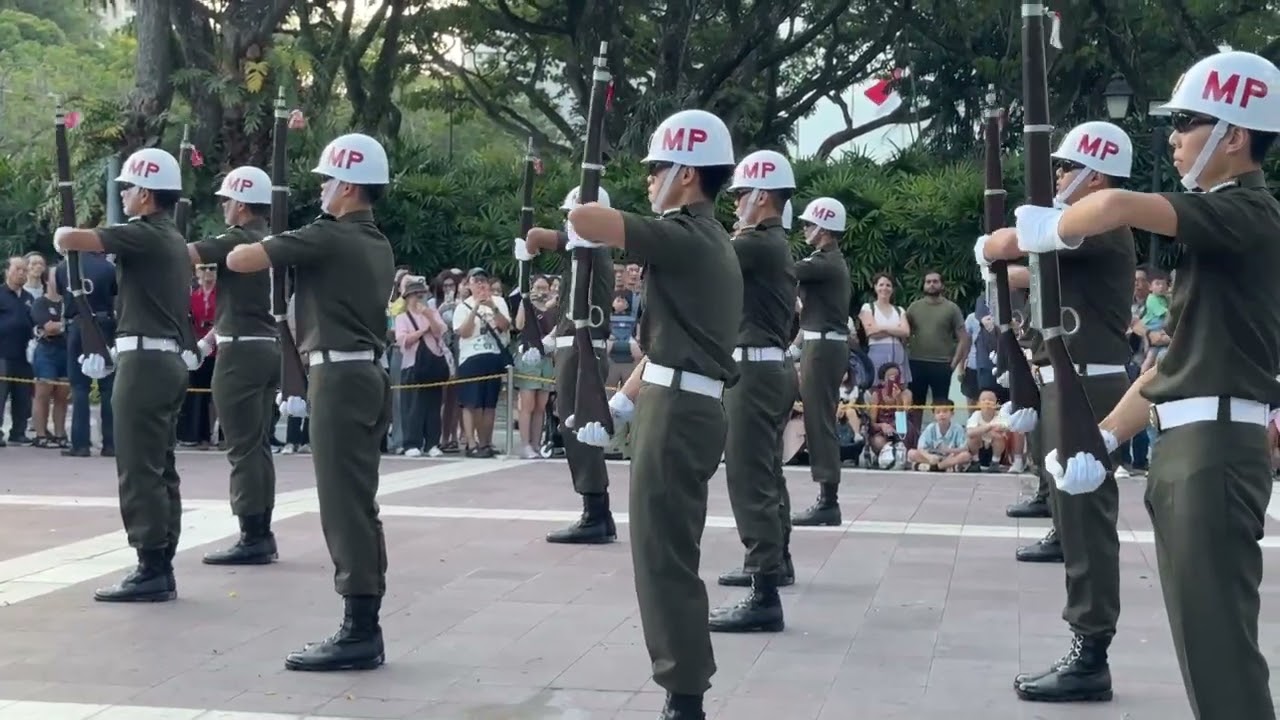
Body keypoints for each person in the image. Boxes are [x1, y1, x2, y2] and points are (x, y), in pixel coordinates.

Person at [1022, 50, 1280, 720]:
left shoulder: (1249, 212)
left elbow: (1112, 203)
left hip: (1215, 450)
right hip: (1189, 445)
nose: (1173, 137)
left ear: (1234, 135)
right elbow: (1170, 368)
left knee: (1220, 654)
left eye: (1187, 122)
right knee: (1203, 646)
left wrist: (1052, 226)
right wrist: (1103, 439)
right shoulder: (1219, 234)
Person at [563, 108, 741, 720]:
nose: (648, 178)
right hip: (676, 400)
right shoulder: (701, 239)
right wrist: (621, 402)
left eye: (658, 166)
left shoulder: (688, 235)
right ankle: (682, 690)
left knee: (663, 558)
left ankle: (684, 698)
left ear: (687, 174)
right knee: (664, 551)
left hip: (680, 412)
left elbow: (588, 218)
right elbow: (669, 348)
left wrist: (579, 212)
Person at [226, 132, 395, 672]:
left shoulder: (329, 235)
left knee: (344, 504)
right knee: (357, 501)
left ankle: (359, 630)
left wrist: (278, 240)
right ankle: (363, 620)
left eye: (327, 180)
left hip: (339, 378)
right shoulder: (375, 241)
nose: (321, 189)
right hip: (364, 374)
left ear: (347, 186)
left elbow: (242, 258)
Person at [980, 119, 1136, 702]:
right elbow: (1029, 266)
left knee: (1088, 521)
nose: (1060, 176)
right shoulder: (1086, 233)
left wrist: (993, 249)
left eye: (1068, 167)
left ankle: (1091, 651)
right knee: (1074, 516)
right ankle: (1086, 641)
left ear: (1096, 176)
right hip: (1069, 382)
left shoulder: (1102, 223)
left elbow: (1013, 245)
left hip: (1088, 385)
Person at [53, 147, 198, 603]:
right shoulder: (170, 237)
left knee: (139, 467)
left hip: (146, 364)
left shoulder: (146, 233)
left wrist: (62, 234)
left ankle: (150, 566)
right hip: (163, 360)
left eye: (129, 188)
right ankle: (160, 560)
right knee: (160, 466)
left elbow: (75, 239)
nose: (124, 195)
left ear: (147, 194)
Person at [707, 149, 798, 634]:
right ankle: (774, 562)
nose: (735, 202)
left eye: (741, 193)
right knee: (765, 471)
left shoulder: (758, 243)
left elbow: (703, 254)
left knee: (749, 477)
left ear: (762, 196)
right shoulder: (770, 242)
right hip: (768, 369)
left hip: (755, 372)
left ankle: (764, 589)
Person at [190, 165, 283, 566]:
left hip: (241, 354)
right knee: (257, 445)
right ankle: (261, 530)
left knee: (243, 447)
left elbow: (187, 254)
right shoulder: (272, 239)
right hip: (267, 347)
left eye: (227, 200)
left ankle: (253, 535)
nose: (224, 207)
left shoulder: (238, 239)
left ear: (241, 205)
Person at [516, 185, 616, 543]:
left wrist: (530, 243)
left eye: (572, 216)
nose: (568, 222)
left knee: (580, 429)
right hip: (574, 347)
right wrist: (550, 338)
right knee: (575, 428)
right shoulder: (583, 256)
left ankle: (595, 514)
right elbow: (573, 308)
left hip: (583, 351)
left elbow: (540, 236)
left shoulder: (591, 248)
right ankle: (597, 512)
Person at [790, 197, 852, 527]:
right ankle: (827, 497)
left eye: (808, 224)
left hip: (823, 348)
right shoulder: (828, 262)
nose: (804, 229)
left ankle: (829, 501)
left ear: (824, 229)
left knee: (818, 420)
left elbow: (783, 270)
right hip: (821, 344)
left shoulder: (823, 263)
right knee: (817, 417)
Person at [55, 250, 117, 457]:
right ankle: (111, 443)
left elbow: (62, 294)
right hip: (104, 324)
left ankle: (80, 444)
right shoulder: (108, 267)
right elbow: (114, 295)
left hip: (77, 324)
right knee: (108, 387)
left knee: (79, 387)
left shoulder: (63, 268)